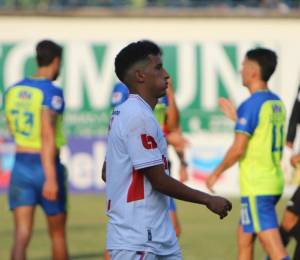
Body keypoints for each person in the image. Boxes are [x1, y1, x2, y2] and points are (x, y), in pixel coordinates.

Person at [102, 40, 232, 260]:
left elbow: (107, 171)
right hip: (139, 239)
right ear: (140, 76)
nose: (167, 75)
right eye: (158, 68)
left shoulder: (133, 113)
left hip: (158, 236)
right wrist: (208, 199)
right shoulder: (137, 116)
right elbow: (159, 180)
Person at [206, 48, 290, 260]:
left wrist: (216, 172)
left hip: (257, 187)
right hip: (272, 181)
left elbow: (238, 149)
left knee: (276, 252)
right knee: (244, 238)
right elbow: (261, 132)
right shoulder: (276, 102)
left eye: (243, 66)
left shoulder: (251, 105)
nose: (240, 70)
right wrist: (238, 118)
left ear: (253, 71)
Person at [4, 40, 68, 260]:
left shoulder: (12, 90)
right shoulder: (51, 91)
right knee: (57, 234)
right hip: (45, 165)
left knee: (21, 234)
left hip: (20, 165)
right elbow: (47, 134)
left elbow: (11, 129)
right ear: (56, 61)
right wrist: (50, 177)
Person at [110, 79, 188, 238]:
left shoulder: (158, 87)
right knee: (125, 233)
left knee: (171, 230)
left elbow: (173, 126)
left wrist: (170, 91)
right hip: (135, 171)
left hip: (159, 169)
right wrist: (165, 138)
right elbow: (122, 127)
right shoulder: (124, 88)